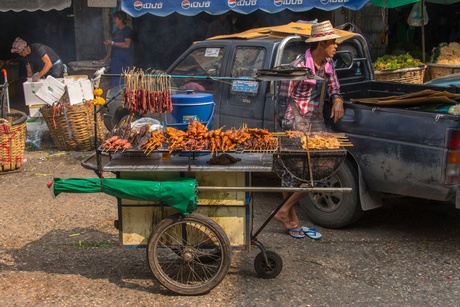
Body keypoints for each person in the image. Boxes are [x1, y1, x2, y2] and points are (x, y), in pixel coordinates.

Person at [274, 20, 345, 240]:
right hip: (294, 122)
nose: (336, 46)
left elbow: (334, 86)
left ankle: (284, 211)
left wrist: (337, 100)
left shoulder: (328, 64)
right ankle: (290, 219)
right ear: (321, 43)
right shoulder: (298, 66)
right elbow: (283, 97)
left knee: (318, 172)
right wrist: (287, 127)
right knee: (290, 174)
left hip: (314, 122)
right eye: (333, 42)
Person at [100, 11, 133, 87]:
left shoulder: (127, 30)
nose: (113, 21)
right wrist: (105, 59)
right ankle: (115, 97)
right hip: (115, 62)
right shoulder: (116, 32)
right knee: (115, 82)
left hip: (124, 62)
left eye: (115, 19)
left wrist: (112, 43)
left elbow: (127, 44)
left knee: (123, 82)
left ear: (120, 20)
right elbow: (112, 48)